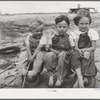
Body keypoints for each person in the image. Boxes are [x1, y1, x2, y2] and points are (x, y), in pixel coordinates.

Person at [21, 19, 56, 84]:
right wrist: (29, 55)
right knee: (23, 53)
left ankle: (35, 70)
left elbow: (39, 48)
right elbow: (27, 46)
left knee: (40, 54)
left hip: (39, 51)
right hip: (31, 52)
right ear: (31, 31)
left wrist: (32, 57)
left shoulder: (43, 37)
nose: (39, 32)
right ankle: (23, 68)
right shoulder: (29, 36)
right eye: (37, 31)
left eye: (41, 31)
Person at [70, 9, 99, 88]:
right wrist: (78, 50)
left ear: (89, 22)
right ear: (77, 23)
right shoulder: (74, 33)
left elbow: (93, 47)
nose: (84, 26)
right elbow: (75, 47)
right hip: (78, 50)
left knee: (86, 54)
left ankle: (81, 79)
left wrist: (85, 50)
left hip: (88, 51)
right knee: (74, 54)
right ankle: (79, 77)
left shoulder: (92, 32)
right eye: (81, 24)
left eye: (86, 23)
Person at [44, 15, 75, 87]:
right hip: (55, 52)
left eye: (64, 27)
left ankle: (59, 78)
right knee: (49, 55)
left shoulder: (69, 37)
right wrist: (56, 52)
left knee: (63, 55)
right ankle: (51, 75)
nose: (62, 29)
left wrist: (69, 52)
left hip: (65, 55)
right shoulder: (53, 37)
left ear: (68, 27)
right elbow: (50, 48)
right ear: (56, 27)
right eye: (60, 27)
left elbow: (73, 47)